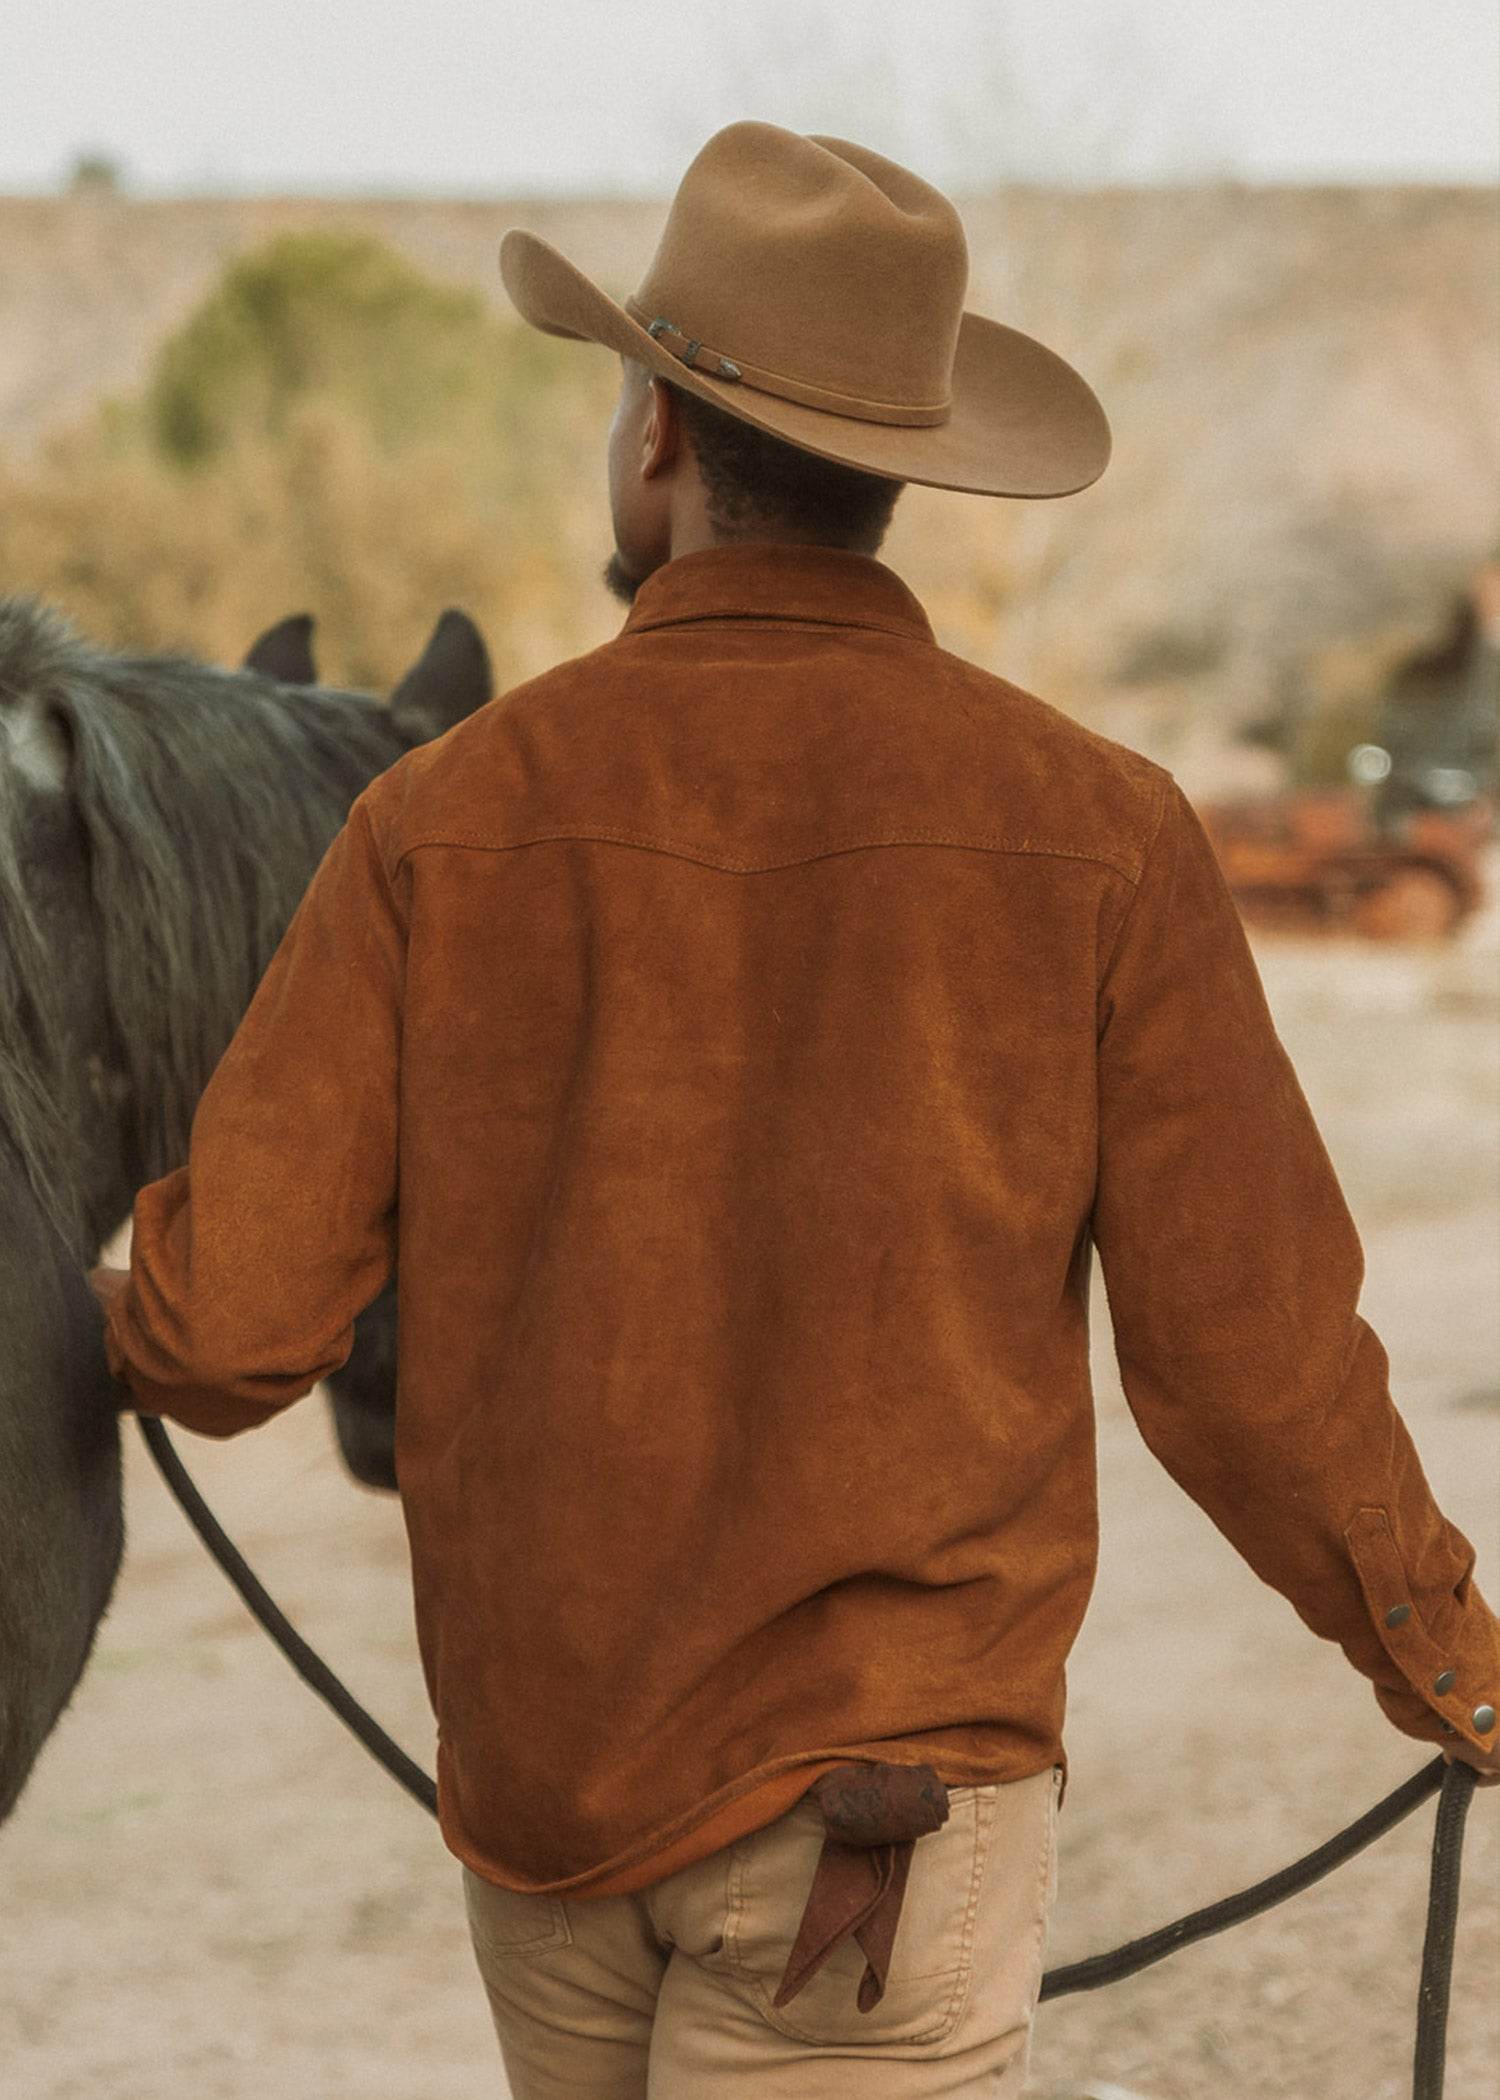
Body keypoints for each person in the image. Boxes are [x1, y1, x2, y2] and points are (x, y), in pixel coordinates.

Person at [90, 121, 1498, 2100]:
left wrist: (110, 1307)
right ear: (899, 481)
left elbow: (229, 1332)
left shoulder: (443, 825)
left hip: (554, 1824)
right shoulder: (1098, 834)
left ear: (659, 436)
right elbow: (1251, 1360)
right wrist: (1449, 1657)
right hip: (886, 1824)